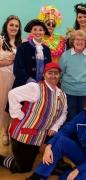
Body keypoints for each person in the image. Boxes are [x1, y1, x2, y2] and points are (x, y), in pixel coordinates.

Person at [26, 93, 86, 180]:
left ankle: (70, 172)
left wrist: (78, 170)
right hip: (83, 155)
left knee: (83, 178)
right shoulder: (82, 115)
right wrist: (49, 146)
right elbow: (65, 131)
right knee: (61, 140)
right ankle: (39, 175)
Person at [0, 62, 67, 173]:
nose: (53, 76)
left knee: (30, 160)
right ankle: (7, 159)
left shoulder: (61, 94)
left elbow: (64, 112)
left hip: (41, 135)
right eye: (50, 73)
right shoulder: (35, 88)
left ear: (60, 75)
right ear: (44, 74)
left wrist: (55, 127)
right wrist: (18, 114)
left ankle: (24, 156)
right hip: (24, 135)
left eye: (56, 73)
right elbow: (12, 94)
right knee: (22, 168)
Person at [60, 30, 86, 121]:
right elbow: (60, 73)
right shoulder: (65, 55)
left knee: (85, 117)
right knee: (71, 118)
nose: (80, 42)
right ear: (73, 41)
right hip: (69, 92)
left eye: (82, 40)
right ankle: (72, 135)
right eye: (77, 39)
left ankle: (83, 135)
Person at [0, 15, 22, 145]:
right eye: (11, 25)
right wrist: (7, 61)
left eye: (16, 26)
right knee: (3, 106)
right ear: (6, 26)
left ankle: (13, 131)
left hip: (17, 79)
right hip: (3, 77)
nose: (14, 28)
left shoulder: (21, 42)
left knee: (14, 106)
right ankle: (4, 132)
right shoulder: (1, 40)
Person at [13, 19, 51, 88]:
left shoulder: (46, 49)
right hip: (24, 85)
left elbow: (49, 69)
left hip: (41, 86)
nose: (38, 32)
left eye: (40, 30)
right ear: (31, 31)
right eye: (35, 29)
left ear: (44, 32)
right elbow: (17, 69)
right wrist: (30, 81)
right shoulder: (23, 47)